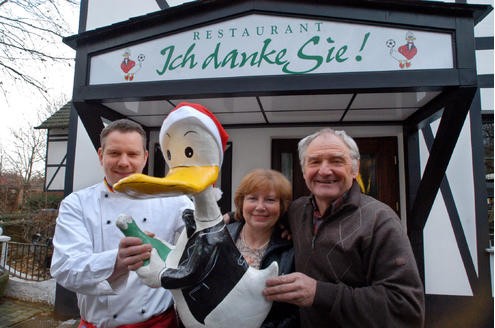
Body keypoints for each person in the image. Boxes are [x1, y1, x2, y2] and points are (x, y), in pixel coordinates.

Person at [263, 128, 425, 328]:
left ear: (355, 169)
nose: (324, 170)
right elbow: (266, 215)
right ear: (304, 171)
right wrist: (231, 216)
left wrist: (318, 293)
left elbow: (406, 308)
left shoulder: (379, 220)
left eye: (336, 161)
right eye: (314, 161)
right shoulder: (297, 211)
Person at [50, 119, 194, 328]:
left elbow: (203, 246)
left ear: (145, 157)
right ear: (101, 155)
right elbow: (65, 268)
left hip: (159, 324)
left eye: (133, 154)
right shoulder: (77, 204)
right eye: (115, 153)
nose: (124, 162)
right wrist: (116, 261)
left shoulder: (174, 200)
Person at [226, 169, 299, 328]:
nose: (260, 207)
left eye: (270, 200)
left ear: (281, 206)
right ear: (241, 202)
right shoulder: (220, 239)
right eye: (252, 198)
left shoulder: (292, 248)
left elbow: (293, 312)